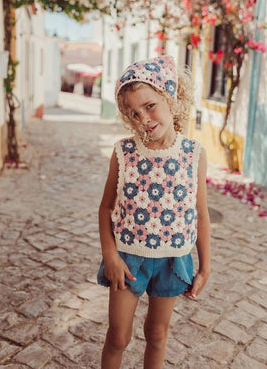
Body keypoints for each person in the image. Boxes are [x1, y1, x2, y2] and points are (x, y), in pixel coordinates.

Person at [97, 55, 210, 369]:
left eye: (149, 106)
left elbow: (201, 214)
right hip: (128, 259)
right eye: (133, 113)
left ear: (170, 99)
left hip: (172, 261)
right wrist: (110, 255)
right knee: (118, 337)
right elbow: (106, 208)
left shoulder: (194, 154)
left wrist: (204, 266)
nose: (143, 118)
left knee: (157, 334)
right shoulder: (124, 153)